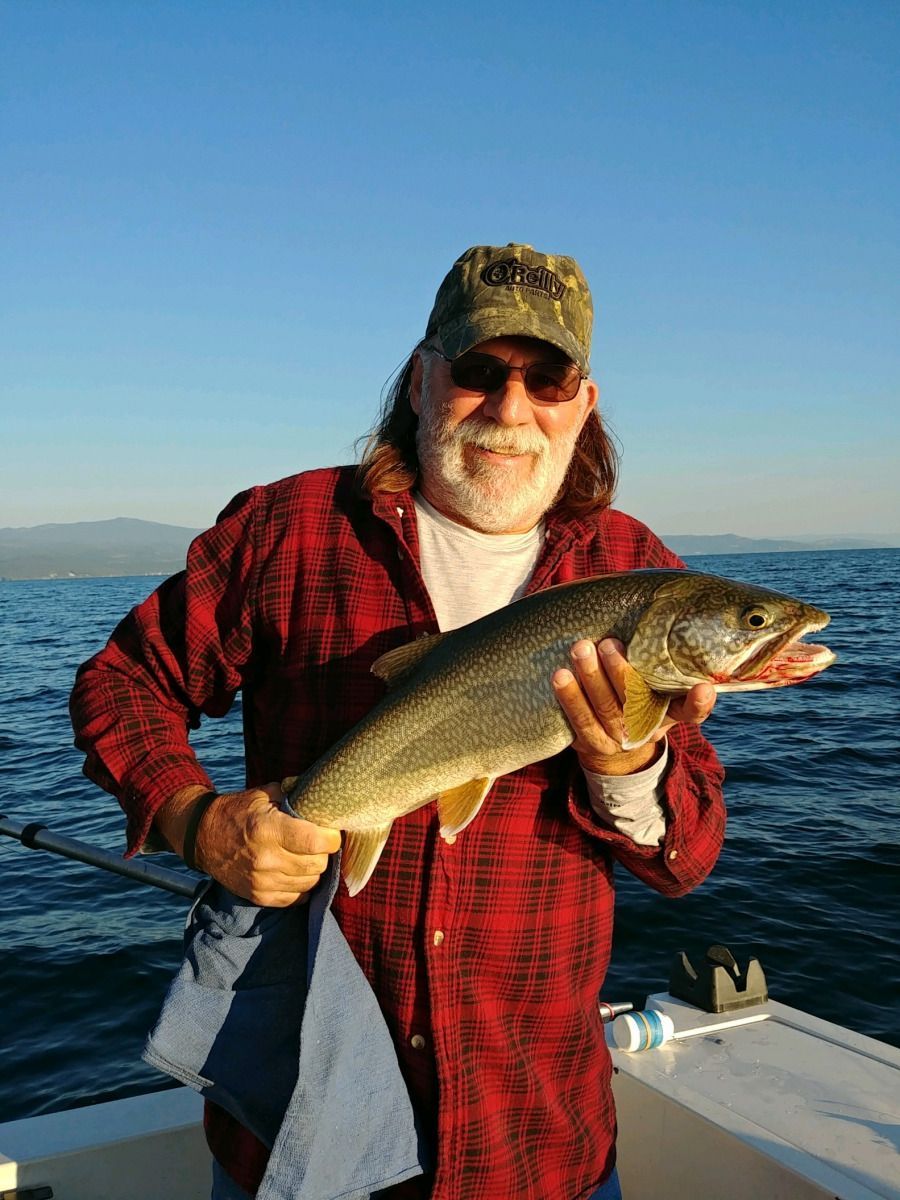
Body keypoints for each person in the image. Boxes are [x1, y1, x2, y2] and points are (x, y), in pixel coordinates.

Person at [70, 242, 726, 1200]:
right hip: (299, 1124)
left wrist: (629, 770)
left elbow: (687, 858)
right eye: (477, 372)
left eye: (547, 379)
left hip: (533, 1141)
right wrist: (195, 820)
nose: (510, 409)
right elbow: (121, 683)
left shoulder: (634, 572)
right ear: (421, 380)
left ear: (582, 404)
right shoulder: (287, 529)